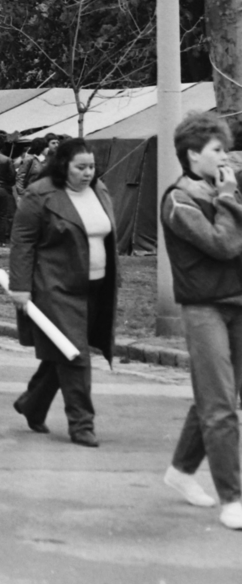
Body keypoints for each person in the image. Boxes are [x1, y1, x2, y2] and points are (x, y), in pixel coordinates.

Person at [8, 136, 118, 446]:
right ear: (63, 166)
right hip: (55, 287)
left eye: (92, 167)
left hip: (97, 287)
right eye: (80, 167)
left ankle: (32, 403)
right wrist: (20, 287)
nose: (87, 173)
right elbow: (22, 243)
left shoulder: (99, 190)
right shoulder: (39, 195)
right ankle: (82, 424)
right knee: (76, 355)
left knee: (65, 351)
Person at [162, 111, 242, 528]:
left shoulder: (225, 189)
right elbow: (224, 244)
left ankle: (181, 470)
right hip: (203, 306)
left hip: (236, 303)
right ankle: (234, 496)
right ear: (193, 155)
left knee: (218, 398)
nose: (225, 156)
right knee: (220, 405)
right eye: (217, 150)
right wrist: (231, 198)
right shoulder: (179, 200)